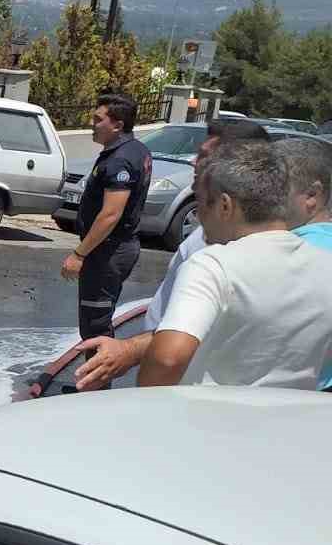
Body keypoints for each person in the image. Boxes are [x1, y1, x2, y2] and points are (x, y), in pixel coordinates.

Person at [72, 121, 299, 390]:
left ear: (239, 165)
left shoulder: (215, 256)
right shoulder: (311, 262)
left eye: (205, 155)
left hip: (187, 398)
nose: (194, 162)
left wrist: (131, 352)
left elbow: (172, 355)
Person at [138, 139, 332, 389]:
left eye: (201, 202)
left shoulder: (212, 264)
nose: (198, 217)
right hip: (288, 423)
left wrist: (144, 407)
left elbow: (168, 360)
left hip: (205, 420)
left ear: (225, 205)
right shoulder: (324, 265)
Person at [61, 94, 153, 339]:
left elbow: (111, 214)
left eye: (98, 119)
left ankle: (97, 377)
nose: (92, 123)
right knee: (97, 319)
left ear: (117, 125)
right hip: (115, 247)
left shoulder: (119, 160)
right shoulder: (136, 150)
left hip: (108, 251)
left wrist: (79, 254)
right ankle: (95, 377)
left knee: (94, 324)